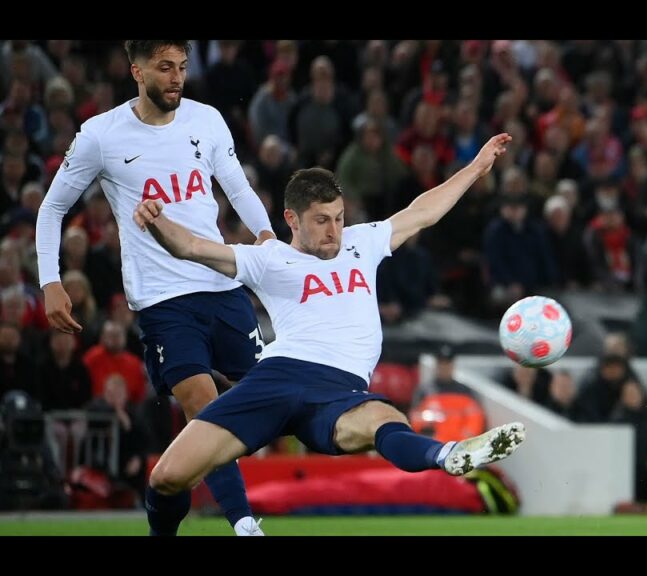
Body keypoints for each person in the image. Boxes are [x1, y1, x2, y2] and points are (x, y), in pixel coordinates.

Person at [132, 134, 524, 534]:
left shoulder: (363, 242)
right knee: (167, 477)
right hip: (275, 380)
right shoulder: (268, 259)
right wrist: (156, 219)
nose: (334, 231)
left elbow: (423, 212)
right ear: (291, 219)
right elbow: (193, 247)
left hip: (339, 388)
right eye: (321, 220)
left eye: (339, 217)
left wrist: (476, 167)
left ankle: (449, 454)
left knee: (385, 418)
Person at [36, 41, 275, 536]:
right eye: (164, 68)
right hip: (165, 302)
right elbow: (52, 207)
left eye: (182, 68)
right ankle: (244, 523)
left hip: (221, 284)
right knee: (202, 404)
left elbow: (236, 187)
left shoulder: (207, 120)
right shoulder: (101, 136)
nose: (176, 78)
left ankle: (162, 500)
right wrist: (51, 280)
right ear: (136, 71)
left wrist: (267, 235)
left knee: (274, 399)